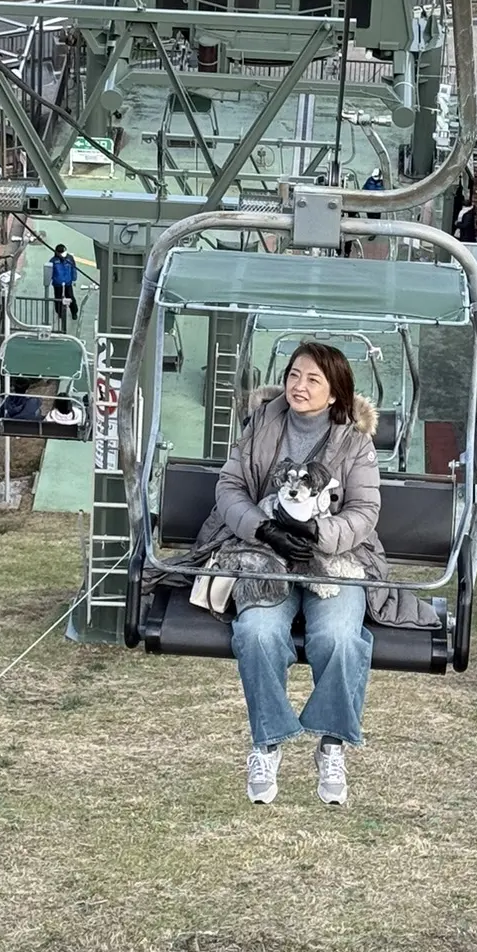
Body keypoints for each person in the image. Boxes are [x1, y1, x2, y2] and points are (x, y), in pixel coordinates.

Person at [181, 343, 436, 808]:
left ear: (335, 393)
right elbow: (230, 488)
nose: (299, 386)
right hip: (263, 551)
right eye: (294, 375)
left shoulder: (354, 444)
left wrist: (319, 531)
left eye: (313, 380)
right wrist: (263, 529)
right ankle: (267, 742)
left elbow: (365, 511)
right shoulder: (260, 426)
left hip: (334, 557)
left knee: (338, 637)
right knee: (258, 631)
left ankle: (332, 744)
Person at [46, 242, 78, 329]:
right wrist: (49, 281)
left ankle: (74, 312)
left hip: (68, 282)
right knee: (58, 298)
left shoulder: (70, 259)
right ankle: (59, 313)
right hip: (57, 283)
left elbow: (74, 269)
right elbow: (50, 272)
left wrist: (74, 279)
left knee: (70, 296)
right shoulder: (53, 261)